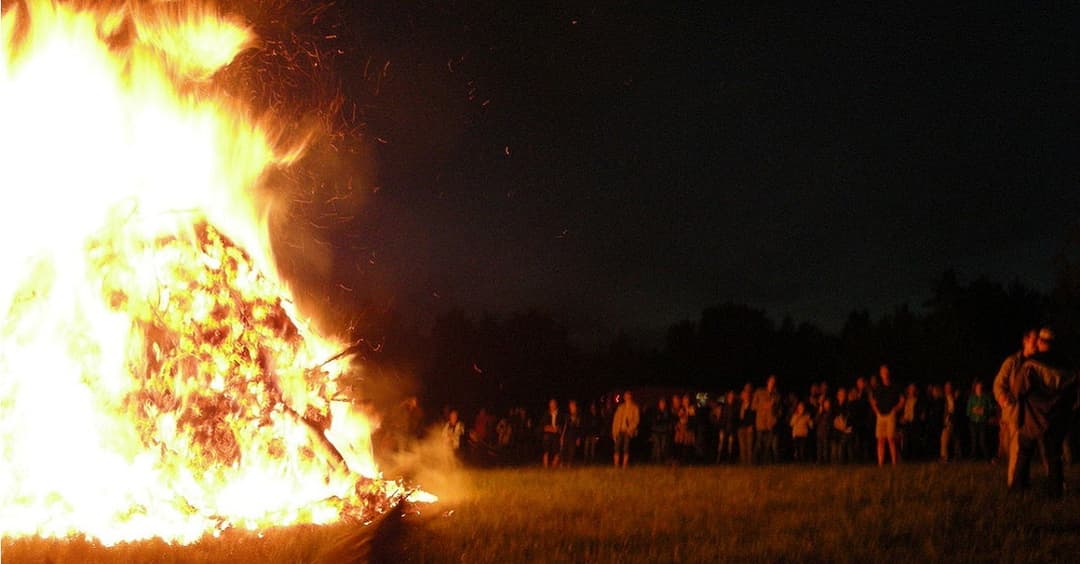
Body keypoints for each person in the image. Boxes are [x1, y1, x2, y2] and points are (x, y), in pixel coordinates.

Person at [1012, 328, 1078, 497]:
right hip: (1058, 419)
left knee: (1024, 452)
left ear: (1041, 342)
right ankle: (1055, 493)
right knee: (1054, 456)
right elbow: (1074, 395)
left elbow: (1018, 389)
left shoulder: (1031, 364)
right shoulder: (1069, 366)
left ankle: (1018, 488)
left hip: (1033, 418)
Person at [993, 328, 1038, 488]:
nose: (1037, 343)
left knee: (1026, 452)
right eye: (1034, 339)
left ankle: (1023, 483)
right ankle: (1014, 485)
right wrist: (1003, 399)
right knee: (1016, 451)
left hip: (1033, 415)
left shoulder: (1038, 363)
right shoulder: (1012, 362)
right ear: (1025, 340)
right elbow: (999, 384)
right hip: (1015, 413)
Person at [869, 364, 904, 466]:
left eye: (886, 371)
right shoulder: (878, 387)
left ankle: (894, 463)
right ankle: (880, 464)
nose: (884, 373)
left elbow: (902, 400)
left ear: (888, 372)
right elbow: (873, 401)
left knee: (891, 438)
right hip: (880, 415)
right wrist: (877, 411)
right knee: (880, 439)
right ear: (880, 374)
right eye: (882, 371)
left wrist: (895, 410)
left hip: (890, 415)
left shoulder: (895, 386)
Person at [752, 375, 781, 464]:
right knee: (759, 443)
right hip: (761, 422)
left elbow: (779, 410)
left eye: (774, 382)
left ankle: (765, 462)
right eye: (771, 381)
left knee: (768, 444)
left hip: (771, 423)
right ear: (767, 382)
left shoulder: (777, 396)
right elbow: (753, 406)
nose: (772, 383)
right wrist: (764, 405)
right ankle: (755, 462)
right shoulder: (759, 392)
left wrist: (776, 418)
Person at [611, 390, 640, 468]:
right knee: (617, 447)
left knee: (626, 447)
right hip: (619, 430)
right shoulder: (620, 407)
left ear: (631, 397)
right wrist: (614, 432)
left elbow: (636, 420)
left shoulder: (634, 407)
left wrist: (630, 428)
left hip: (628, 431)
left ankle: (624, 465)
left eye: (629, 397)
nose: (627, 398)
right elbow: (615, 420)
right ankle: (616, 465)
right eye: (626, 397)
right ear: (624, 398)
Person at [966, 380, 993, 460]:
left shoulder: (986, 397)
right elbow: (968, 410)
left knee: (982, 440)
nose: (979, 389)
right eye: (978, 387)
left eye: (980, 387)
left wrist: (984, 411)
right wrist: (973, 410)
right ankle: (973, 457)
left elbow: (991, 408)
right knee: (974, 440)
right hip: (973, 421)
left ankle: (987, 457)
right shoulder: (972, 398)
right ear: (975, 388)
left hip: (982, 422)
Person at [541, 399, 565, 468]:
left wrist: (557, 429)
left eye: (553, 404)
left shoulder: (560, 414)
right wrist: (551, 429)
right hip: (548, 434)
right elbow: (544, 426)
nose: (552, 406)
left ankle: (554, 464)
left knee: (557, 448)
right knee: (546, 445)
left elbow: (561, 426)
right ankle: (545, 466)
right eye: (551, 404)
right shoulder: (546, 414)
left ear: (556, 405)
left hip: (557, 435)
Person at [649, 397, 675, 464]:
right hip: (655, 431)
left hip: (665, 432)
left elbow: (669, 422)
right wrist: (659, 420)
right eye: (661, 403)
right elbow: (654, 422)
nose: (662, 405)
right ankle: (657, 460)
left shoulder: (668, 412)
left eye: (664, 403)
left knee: (663, 445)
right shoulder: (655, 412)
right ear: (659, 404)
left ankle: (663, 459)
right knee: (657, 445)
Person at [561, 400, 584, 467]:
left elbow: (580, 428)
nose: (572, 407)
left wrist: (578, 438)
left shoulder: (579, 416)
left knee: (572, 450)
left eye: (573, 406)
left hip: (574, 436)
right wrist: (562, 437)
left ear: (575, 406)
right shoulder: (567, 416)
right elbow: (565, 426)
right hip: (567, 435)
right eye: (570, 406)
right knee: (564, 450)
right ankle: (562, 463)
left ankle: (569, 464)